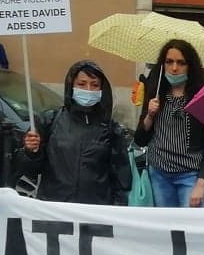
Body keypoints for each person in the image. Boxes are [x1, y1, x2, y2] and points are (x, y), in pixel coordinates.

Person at [14, 61, 131, 205]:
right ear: (71, 86)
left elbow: (121, 178)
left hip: (94, 213)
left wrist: (117, 210)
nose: (88, 89)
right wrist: (31, 152)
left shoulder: (110, 129)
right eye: (81, 84)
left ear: (102, 90)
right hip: (56, 209)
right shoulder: (50, 121)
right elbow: (29, 169)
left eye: (94, 85)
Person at [132, 39, 204, 208]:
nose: (174, 68)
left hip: (191, 177)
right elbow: (140, 140)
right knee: (166, 230)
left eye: (181, 63)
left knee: (193, 229)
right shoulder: (156, 92)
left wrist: (201, 185)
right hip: (159, 175)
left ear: (190, 66)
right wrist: (149, 116)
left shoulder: (203, 97)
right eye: (169, 62)